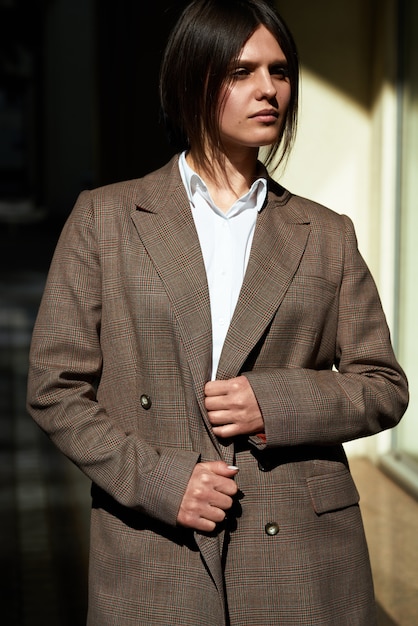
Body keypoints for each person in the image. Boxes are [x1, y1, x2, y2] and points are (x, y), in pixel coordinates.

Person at [27, 0, 409, 624]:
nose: (269, 90)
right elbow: (54, 390)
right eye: (242, 72)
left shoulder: (325, 232)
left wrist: (275, 403)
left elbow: (384, 388)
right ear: (192, 81)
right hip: (156, 549)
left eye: (280, 72)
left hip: (301, 559)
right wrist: (159, 481)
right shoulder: (106, 219)